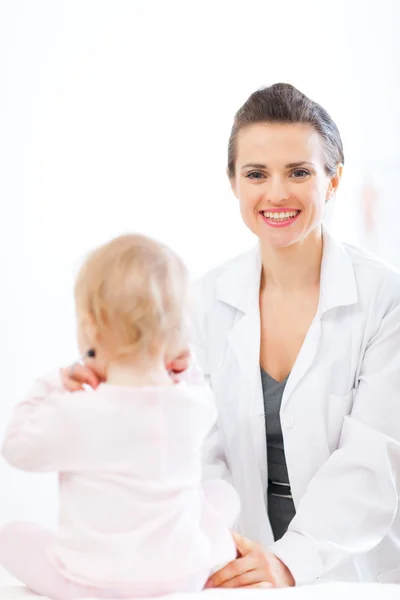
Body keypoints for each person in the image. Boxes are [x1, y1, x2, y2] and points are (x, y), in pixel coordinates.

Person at [192, 82, 400, 587]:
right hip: (236, 568)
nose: (276, 193)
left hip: (356, 572)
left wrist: (287, 564)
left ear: (332, 181)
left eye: (299, 172)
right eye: (256, 174)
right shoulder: (201, 300)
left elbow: (374, 460)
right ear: (234, 182)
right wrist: (232, 552)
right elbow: (196, 453)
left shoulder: (385, 299)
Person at [0, 234, 240, 599]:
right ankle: (206, 556)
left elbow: (16, 447)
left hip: (92, 583)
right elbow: (194, 381)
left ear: (91, 328)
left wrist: (55, 384)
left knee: (10, 538)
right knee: (223, 495)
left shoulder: (76, 411)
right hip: (183, 576)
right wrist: (182, 370)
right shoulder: (193, 404)